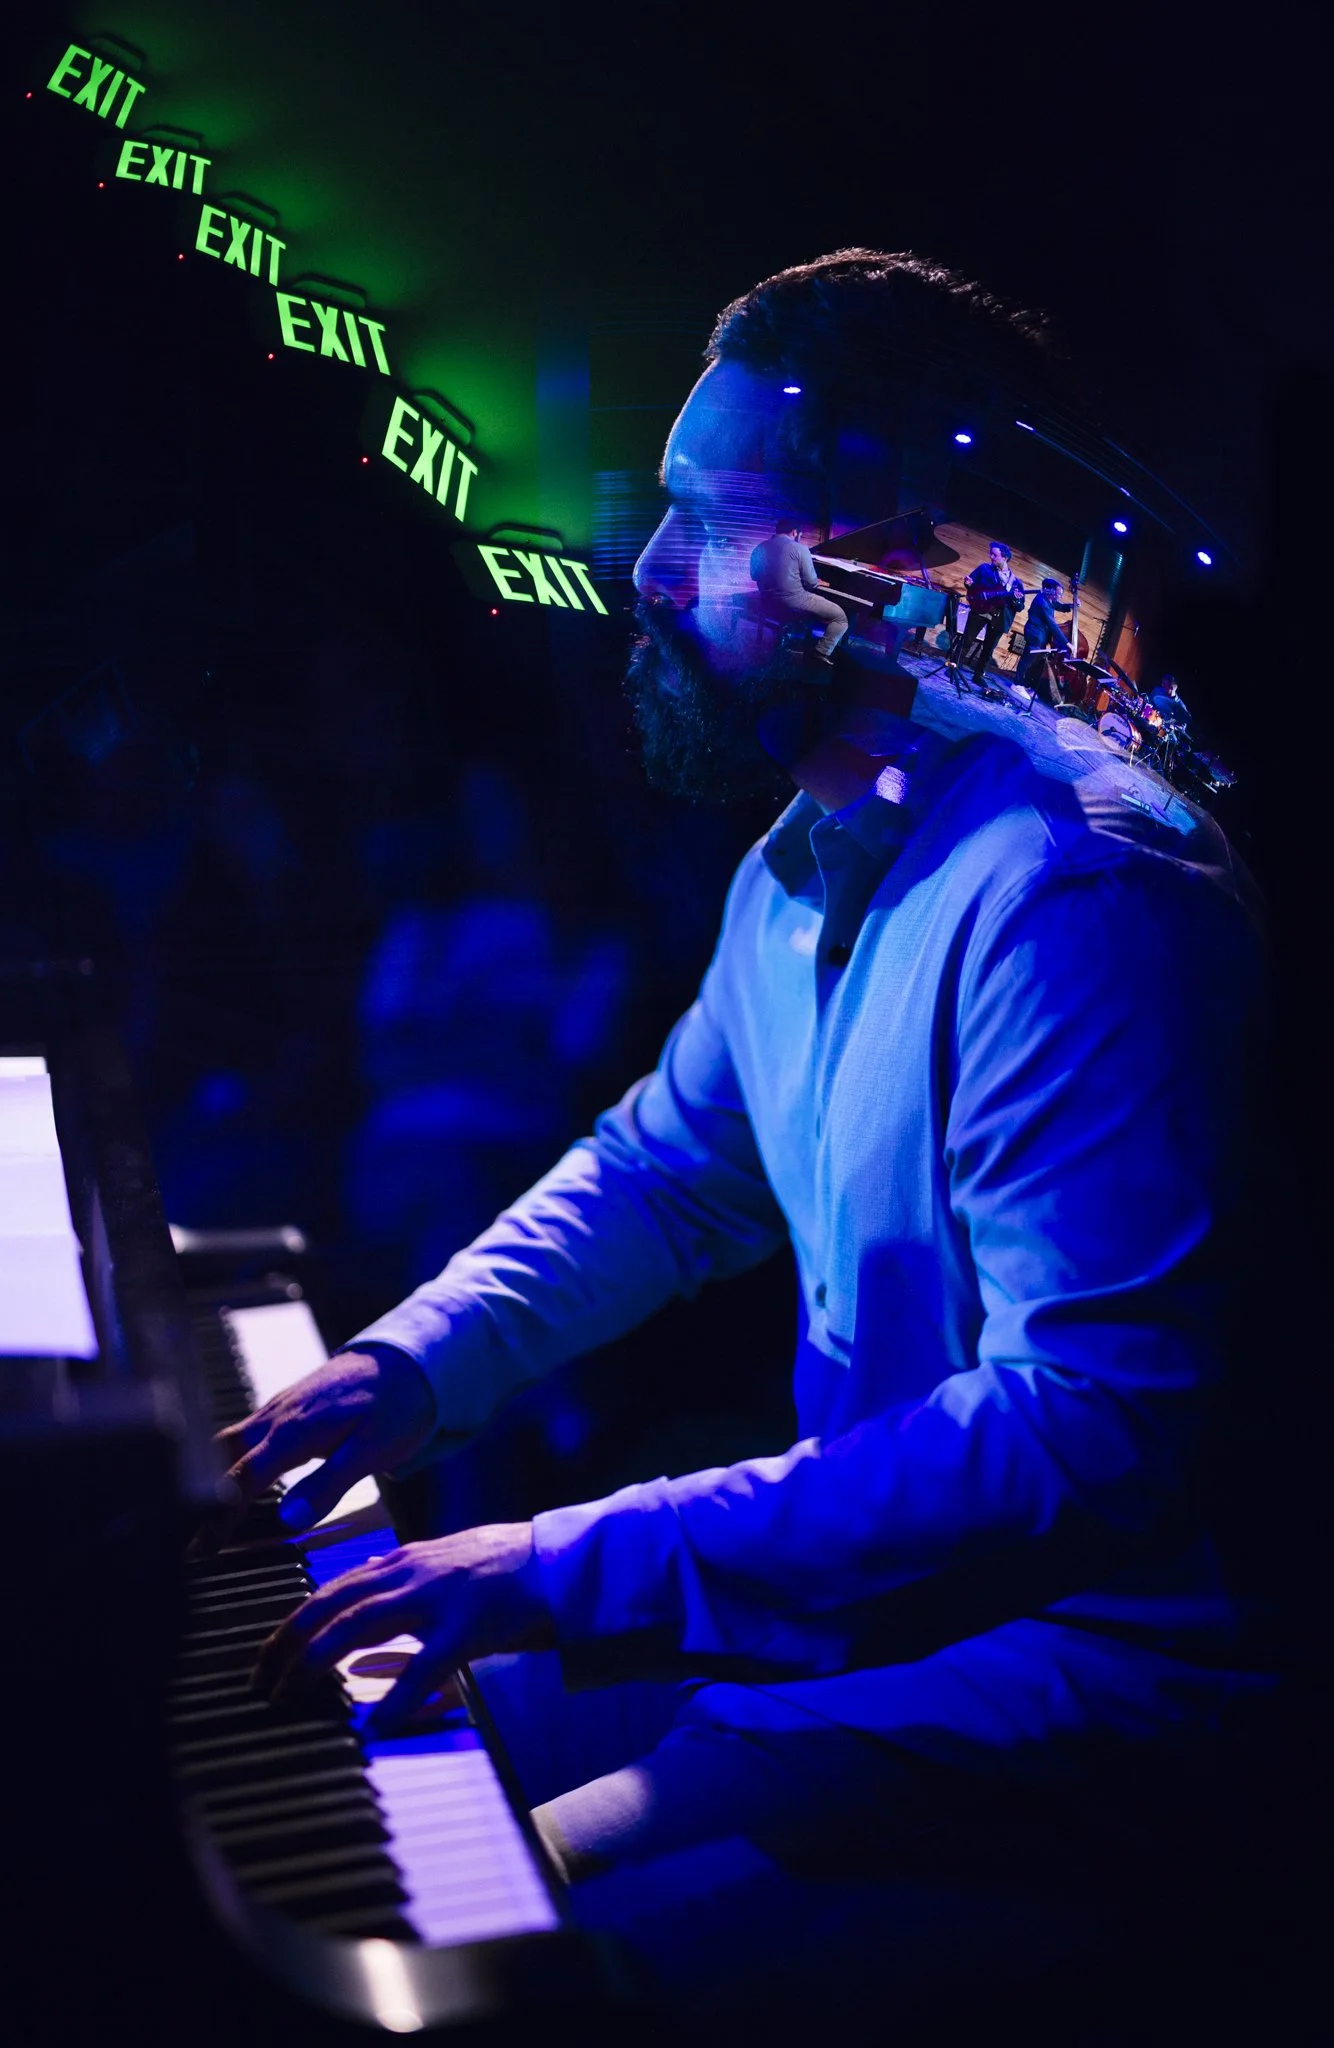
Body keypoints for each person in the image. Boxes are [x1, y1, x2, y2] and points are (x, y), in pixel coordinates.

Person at [215, 252, 1280, 2033]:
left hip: (1105, 1693)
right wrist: (408, 1367)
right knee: (366, 1745)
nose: (644, 570)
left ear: (885, 564)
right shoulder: (798, 862)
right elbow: (664, 1172)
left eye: (710, 521)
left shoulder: (1081, 890)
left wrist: (550, 1560)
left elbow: (1089, 1430)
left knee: (498, 1931)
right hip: (900, 1632)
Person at [748, 516, 850, 664]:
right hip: (794, 601)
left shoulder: (759, 548)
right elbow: (811, 583)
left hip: (767, 600)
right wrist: (816, 581)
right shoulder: (800, 549)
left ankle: (790, 637)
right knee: (840, 618)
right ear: (795, 532)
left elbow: (754, 576)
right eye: (799, 535)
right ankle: (821, 652)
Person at [955, 540, 1024, 694]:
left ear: (1005, 557)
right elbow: (971, 585)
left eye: (995, 555)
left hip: (999, 618)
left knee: (988, 649)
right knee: (966, 640)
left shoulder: (1016, 583)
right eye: (991, 554)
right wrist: (968, 584)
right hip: (980, 611)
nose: (991, 557)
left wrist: (1017, 599)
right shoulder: (984, 568)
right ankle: (954, 666)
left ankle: (978, 675)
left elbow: (1020, 607)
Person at [1016, 574, 1075, 703]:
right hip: (1035, 633)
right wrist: (1066, 643)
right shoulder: (1042, 601)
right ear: (1050, 591)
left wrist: (1071, 605)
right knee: (1028, 659)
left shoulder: (1049, 600)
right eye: (1058, 593)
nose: (1060, 596)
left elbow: (1059, 605)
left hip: (1041, 635)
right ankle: (1017, 684)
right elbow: (1052, 624)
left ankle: (1024, 683)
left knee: (1036, 661)